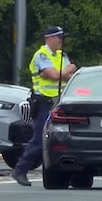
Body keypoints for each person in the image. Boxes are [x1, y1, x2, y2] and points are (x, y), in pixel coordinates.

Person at [12, 26, 76, 187]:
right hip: (44, 103)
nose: (61, 41)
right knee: (41, 139)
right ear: (49, 38)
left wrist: (62, 72)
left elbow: (71, 75)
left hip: (59, 103)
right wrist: (64, 71)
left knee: (62, 138)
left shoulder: (62, 55)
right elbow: (55, 75)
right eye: (58, 37)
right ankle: (20, 169)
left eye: (62, 37)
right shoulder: (41, 55)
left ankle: (66, 173)